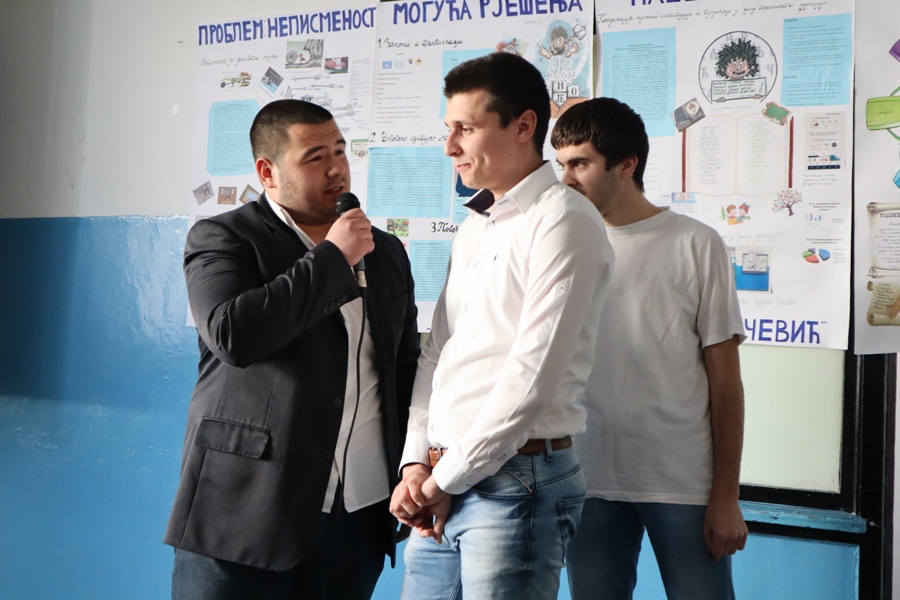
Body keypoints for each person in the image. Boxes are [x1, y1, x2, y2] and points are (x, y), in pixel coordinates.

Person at [164, 99, 420, 599]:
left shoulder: (385, 250)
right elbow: (234, 334)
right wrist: (332, 259)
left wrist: (415, 464)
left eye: (340, 151)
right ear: (268, 172)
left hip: (358, 514)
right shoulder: (224, 237)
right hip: (244, 512)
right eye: (315, 157)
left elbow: (403, 368)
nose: (336, 168)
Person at [389, 52, 614, 599]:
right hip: (444, 476)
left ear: (523, 126)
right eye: (448, 129)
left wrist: (443, 479)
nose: (450, 146)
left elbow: (529, 378)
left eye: (465, 128)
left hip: (518, 482)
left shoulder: (564, 220)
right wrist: (416, 463)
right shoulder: (476, 227)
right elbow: (438, 354)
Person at [551, 97, 748, 600]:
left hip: (680, 483)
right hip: (586, 479)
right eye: (560, 164)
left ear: (626, 164)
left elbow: (726, 383)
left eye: (580, 164)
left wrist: (726, 496)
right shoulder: (563, 246)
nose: (565, 179)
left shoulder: (696, 243)